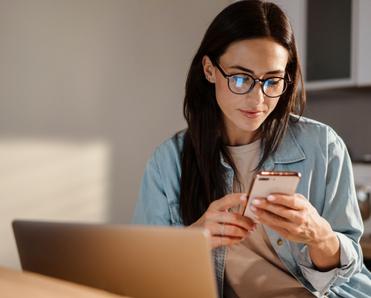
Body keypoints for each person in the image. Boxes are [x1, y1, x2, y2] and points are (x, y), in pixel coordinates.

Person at [132, 1, 371, 297]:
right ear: (209, 70)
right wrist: (194, 239)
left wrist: (319, 236)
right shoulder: (169, 161)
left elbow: (349, 270)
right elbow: (142, 271)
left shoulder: (323, 145)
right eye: (241, 78)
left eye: (272, 81)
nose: (258, 99)